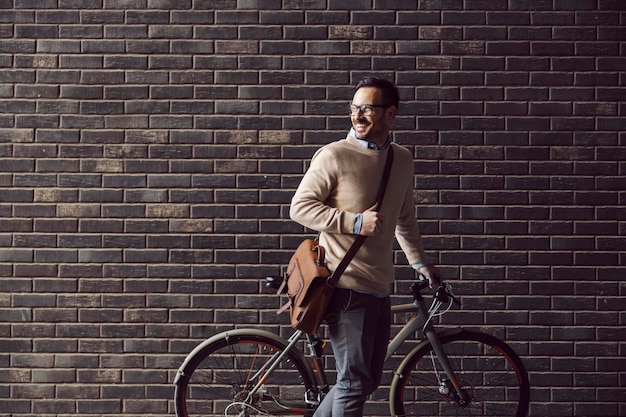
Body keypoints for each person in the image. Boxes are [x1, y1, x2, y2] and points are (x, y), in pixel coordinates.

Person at [289, 76, 442, 417]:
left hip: (378, 287)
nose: (357, 115)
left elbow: (404, 215)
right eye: (354, 108)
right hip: (344, 287)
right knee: (355, 381)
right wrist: (355, 222)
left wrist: (420, 262)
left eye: (367, 109)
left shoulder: (401, 159)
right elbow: (300, 207)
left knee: (366, 380)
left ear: (390, 114)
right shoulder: (334, 155)